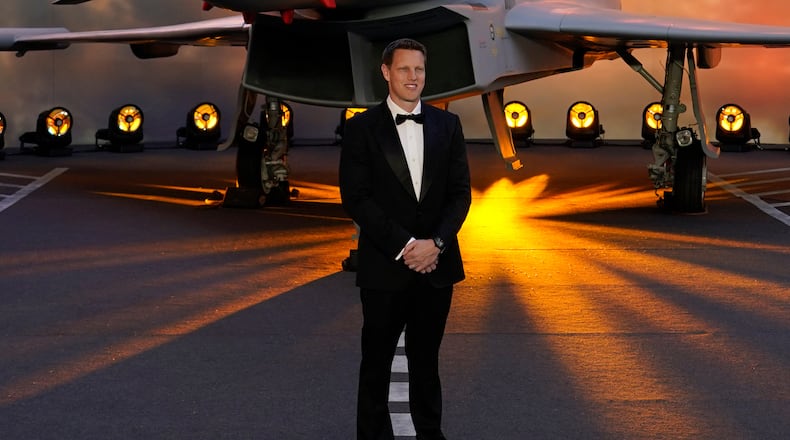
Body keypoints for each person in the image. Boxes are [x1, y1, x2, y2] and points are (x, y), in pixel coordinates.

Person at [338, 38, 472, 440]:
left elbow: (460, 193)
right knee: (376, 363)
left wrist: (437, 244)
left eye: (419, 70)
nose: (413, 78)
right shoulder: (361, 128)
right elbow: (356, 198)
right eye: (404, 69)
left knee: (427, 362)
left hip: (437, 266)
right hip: (384, 265)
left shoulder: (448, 124)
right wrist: (405, 246)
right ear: (385, 72)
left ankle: (431, 433)